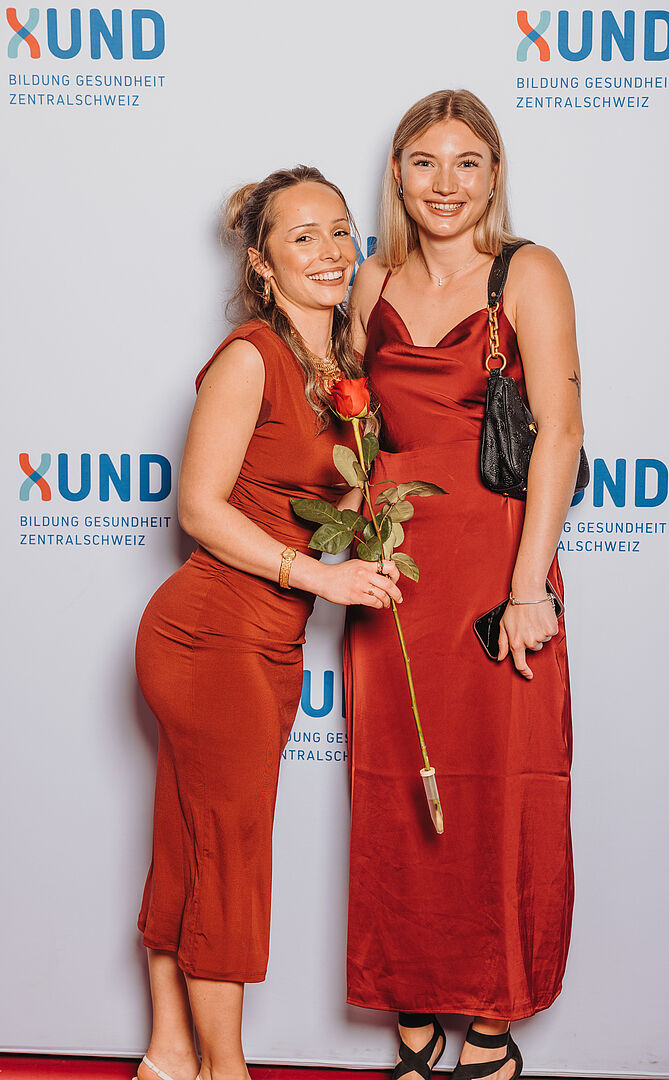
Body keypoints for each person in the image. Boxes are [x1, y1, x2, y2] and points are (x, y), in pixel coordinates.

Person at [134, 165, 402, 1080]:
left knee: (193, 841)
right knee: (231, 855)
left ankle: (170, 1052)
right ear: (261, 262)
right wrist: (319, 576)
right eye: (303, 236)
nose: (331, 251)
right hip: (208, 633)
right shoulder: (251, 357)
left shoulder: (345, 373)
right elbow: (199, 508)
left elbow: (339, 504)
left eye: (341, 231)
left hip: (264, 640)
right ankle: (227, 1070)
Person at [344, 90, 584, 1080]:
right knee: (395, 790)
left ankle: (491, 1021)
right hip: (396, 572)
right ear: (398, 175)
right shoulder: (370, 279)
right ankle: (412, 1013)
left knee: (503, 785)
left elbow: (560, 434)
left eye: (467, 162)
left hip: (496, 564)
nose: (445, 183)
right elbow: (355, 426)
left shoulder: (528, 272)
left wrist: (529, 589)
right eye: (425, 162)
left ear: (494, 175)